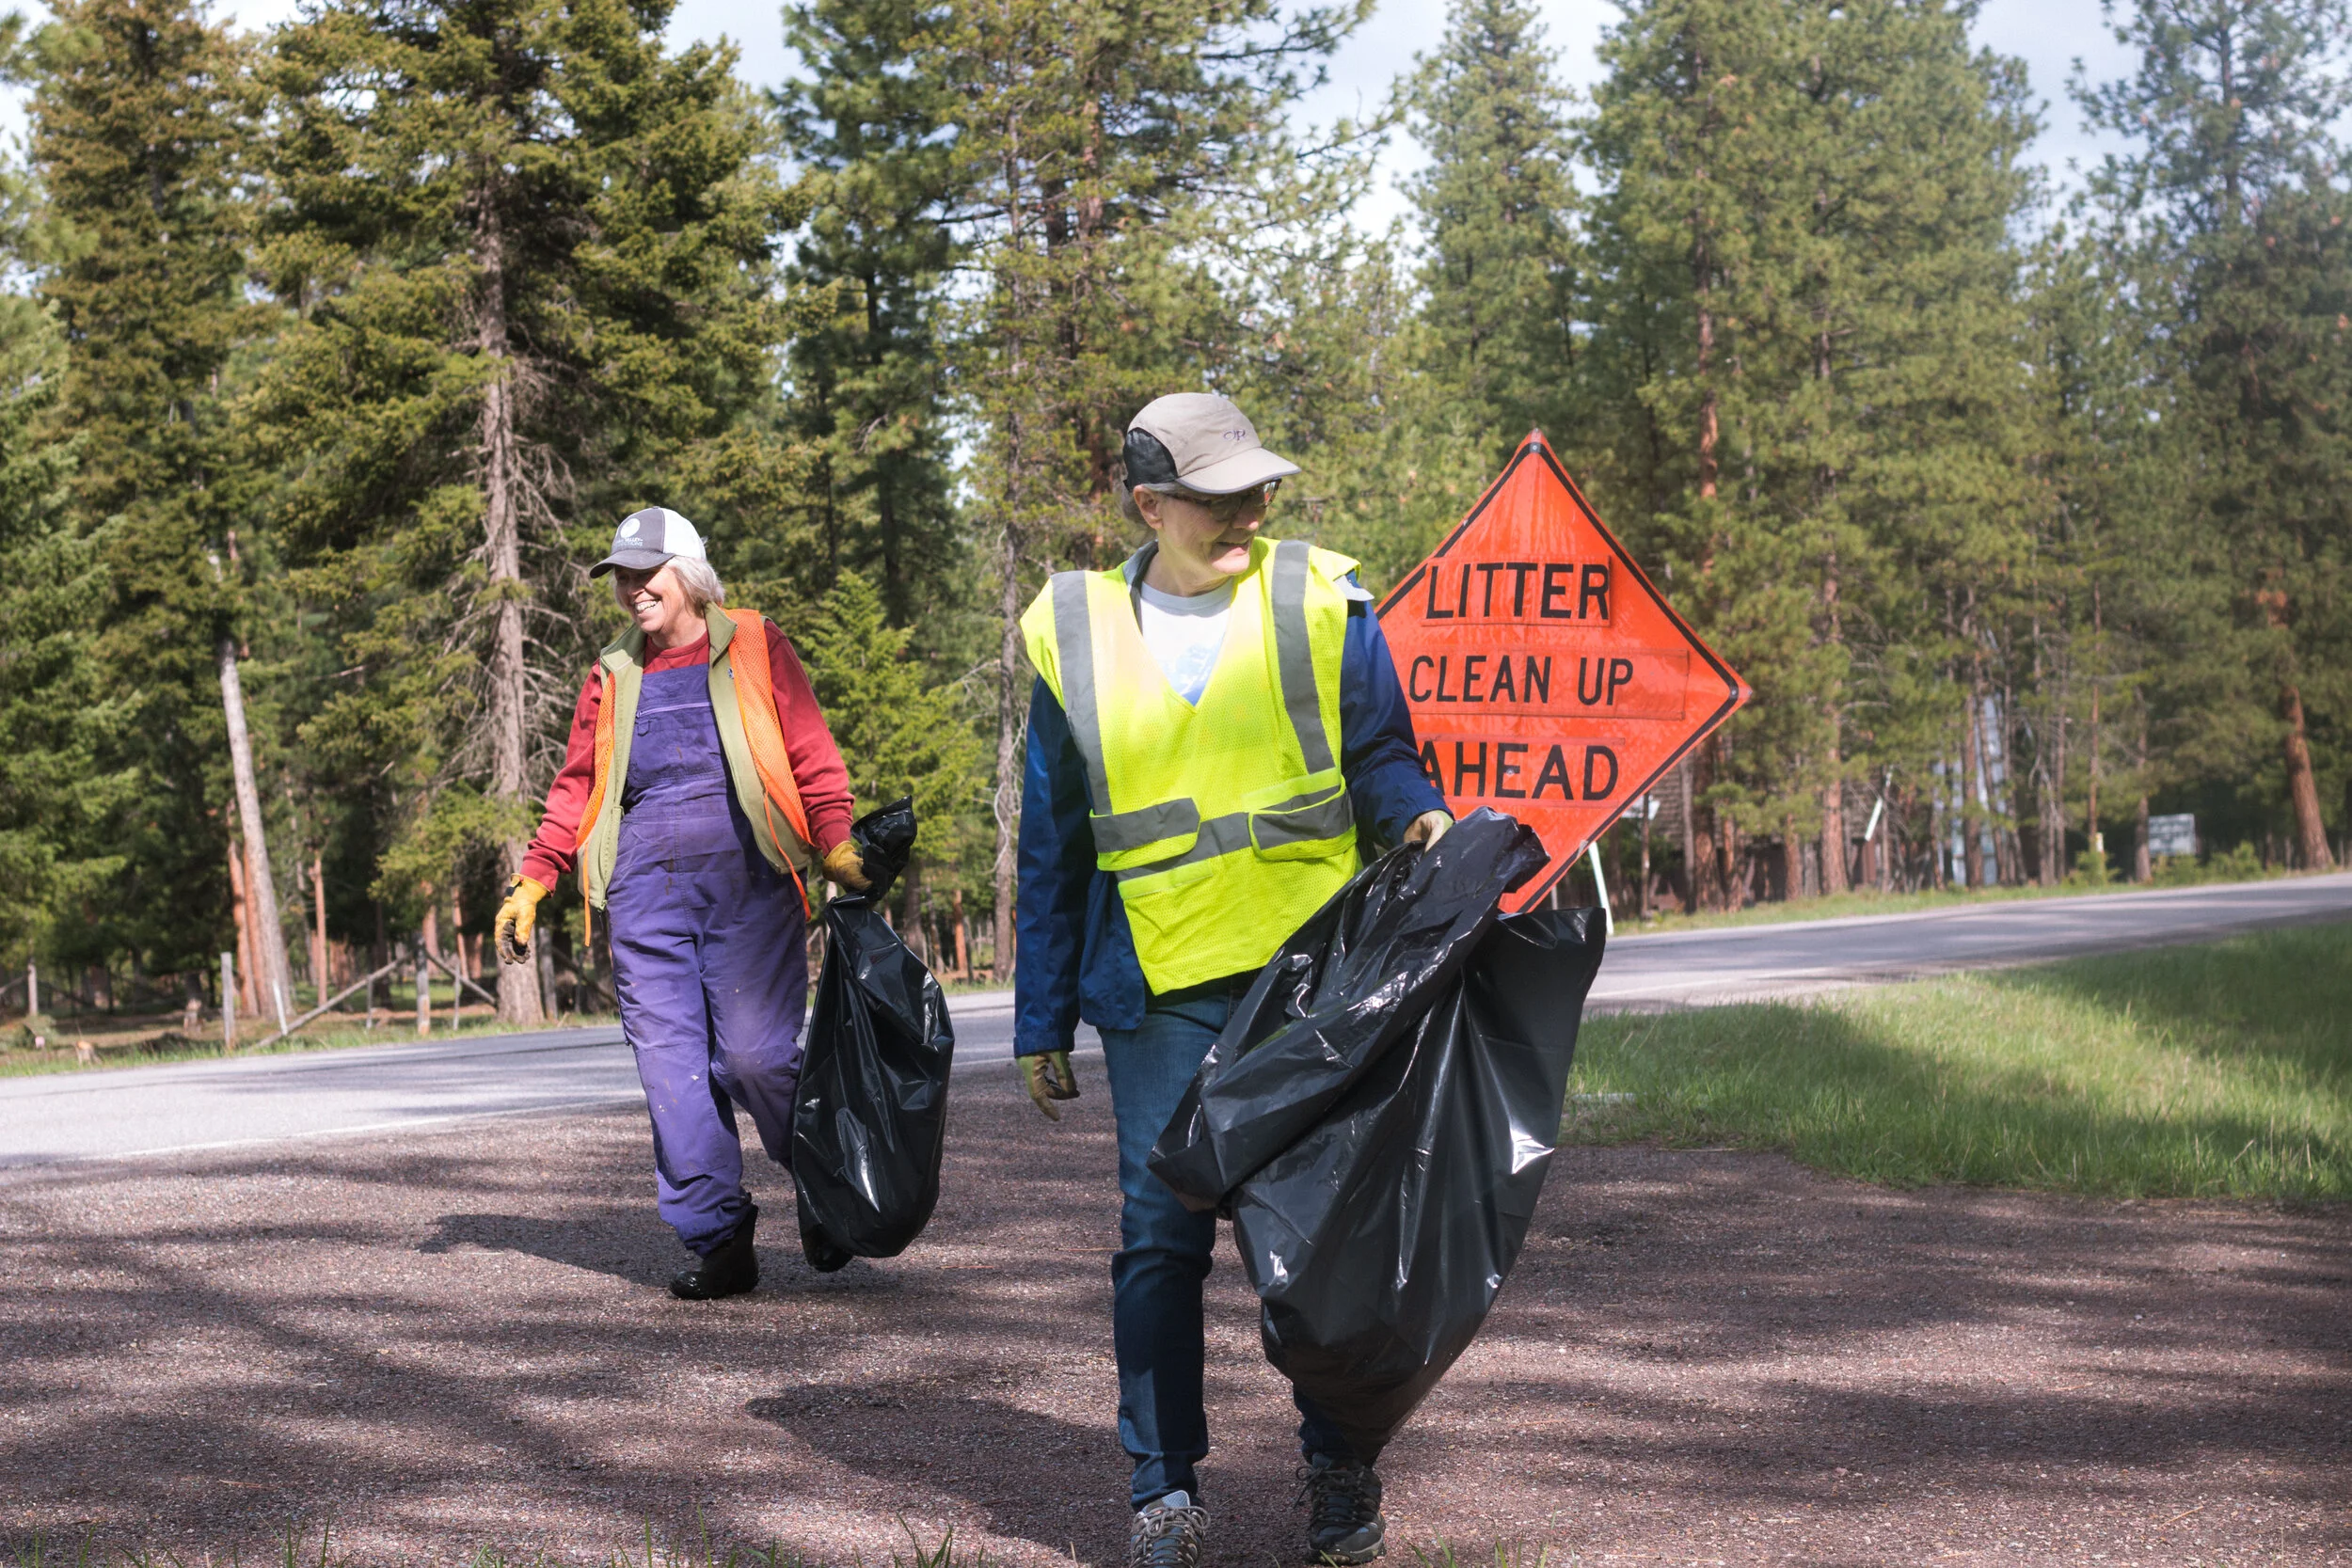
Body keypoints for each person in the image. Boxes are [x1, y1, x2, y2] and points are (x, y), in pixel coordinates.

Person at [1014, 394, 1451, 1567]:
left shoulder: (1317, 595)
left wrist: (1417, 819)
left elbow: (1379, 752)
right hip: (1156, 983)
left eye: (1259, 489)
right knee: (1160, 1234)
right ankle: (1162, 1487)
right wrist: (1039, 1012)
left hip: (1308, 969)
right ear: (1147, 503)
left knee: (1314, 1238)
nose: (1250, 512)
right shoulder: (1076, 628)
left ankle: (1340, 1470)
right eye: (1218, 499)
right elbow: (1052, 837)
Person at [494, 507, 866, 1301]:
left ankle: (830, 1193)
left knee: (756, 1057)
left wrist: (834, 840)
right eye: (622, 576)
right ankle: (719, 1236)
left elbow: (809, 749)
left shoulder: (756, 645)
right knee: (673, 1073)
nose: (631, 590)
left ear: (689, 574)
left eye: (645, 573)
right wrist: (535, 877)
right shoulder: (612, 674)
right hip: (643, 896)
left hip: (749, 885)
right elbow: (579, 787)